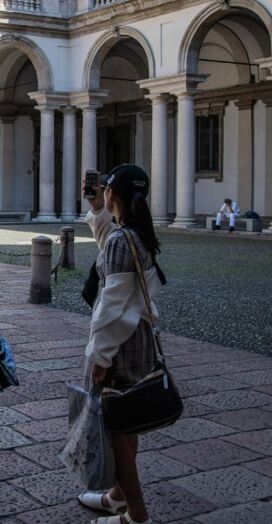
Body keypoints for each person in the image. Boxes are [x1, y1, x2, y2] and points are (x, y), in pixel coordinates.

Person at [78, 164, 162, 524]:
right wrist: (98, 211)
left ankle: (137, 516)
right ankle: (116, 497)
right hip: (138, 338)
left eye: (105, 190)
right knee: (127, 423)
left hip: (119, 345)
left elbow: (111, 305)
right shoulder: (137, 234)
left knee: (115, 432)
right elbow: (113, 251)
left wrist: (99, 356)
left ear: (112, 193)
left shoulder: (120, 240)